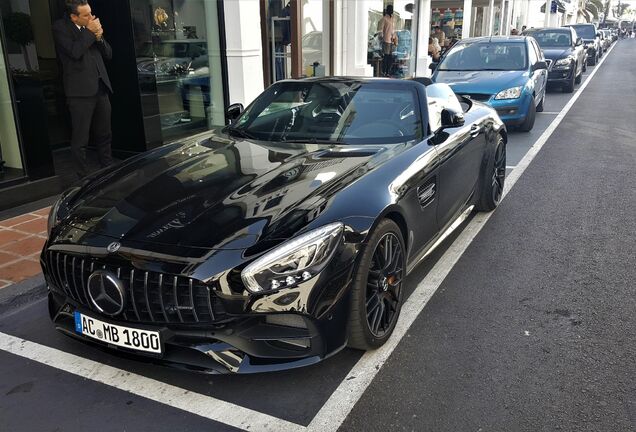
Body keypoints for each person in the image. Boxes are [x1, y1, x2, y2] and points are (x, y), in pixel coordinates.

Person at [53, 0, 113, 180]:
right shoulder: (60, 28)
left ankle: (108, 170)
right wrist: (89, 32)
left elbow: (108, 54)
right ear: (73, 16)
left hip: (100, 88)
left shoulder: (91, 29)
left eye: (91, 13)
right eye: (85, 15)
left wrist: (99, 37)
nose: (91, 17)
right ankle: (83, 178)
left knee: (105, 133)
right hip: (79, 93)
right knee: (81, 139)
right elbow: (75, 52)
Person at [378, 5, 397, 76]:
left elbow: (393, 29)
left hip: (392, 40)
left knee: (390, 57)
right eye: (390, 9)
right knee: (386, 56)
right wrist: (382, 38)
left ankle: (388, 71)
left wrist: (394, 37)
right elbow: (380, 30)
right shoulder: (384, 19)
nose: (392, 11)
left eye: (392, 9)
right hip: (386, 40)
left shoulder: (392, 19)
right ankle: (384, 71)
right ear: (387, 10)